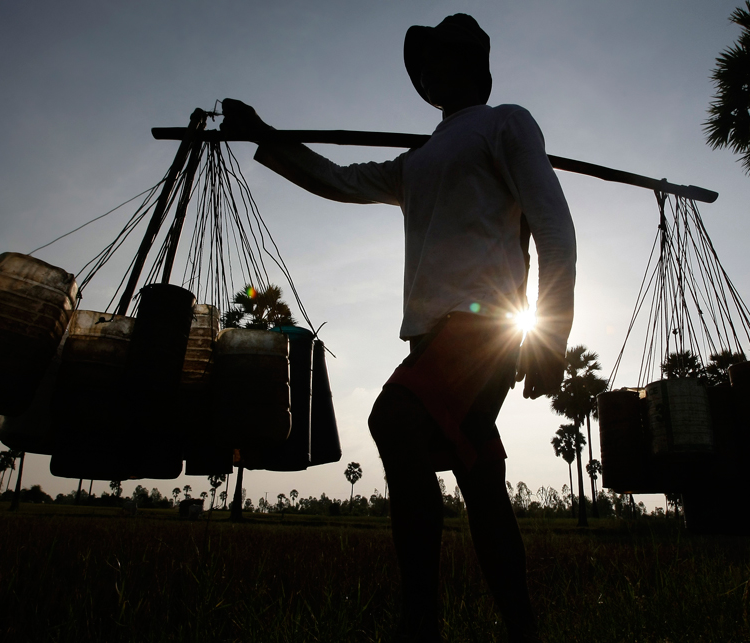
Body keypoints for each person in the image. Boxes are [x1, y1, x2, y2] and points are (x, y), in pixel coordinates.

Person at [222, 14, 576, 642]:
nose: (426, 73)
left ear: (470, 65)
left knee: (393, 418)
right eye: (423, 65)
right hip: (431, 339)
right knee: (479, 478)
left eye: (439, 59)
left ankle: (420, 625)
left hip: (484, 329)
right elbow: (338, 180)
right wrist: (265, 139)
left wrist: (551, 336)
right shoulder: (417, 162)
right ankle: (522, 627)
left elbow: (553, 228)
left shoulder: (506, 123)